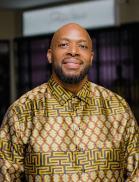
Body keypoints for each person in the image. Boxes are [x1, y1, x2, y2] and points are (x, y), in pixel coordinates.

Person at [0, 23, 139, 182]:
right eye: (64, 44)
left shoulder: (118, 108)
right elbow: (6, 177)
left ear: (91, 57)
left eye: (82, 46)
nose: (73, 51)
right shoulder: (22, 112)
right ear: (50, 55)